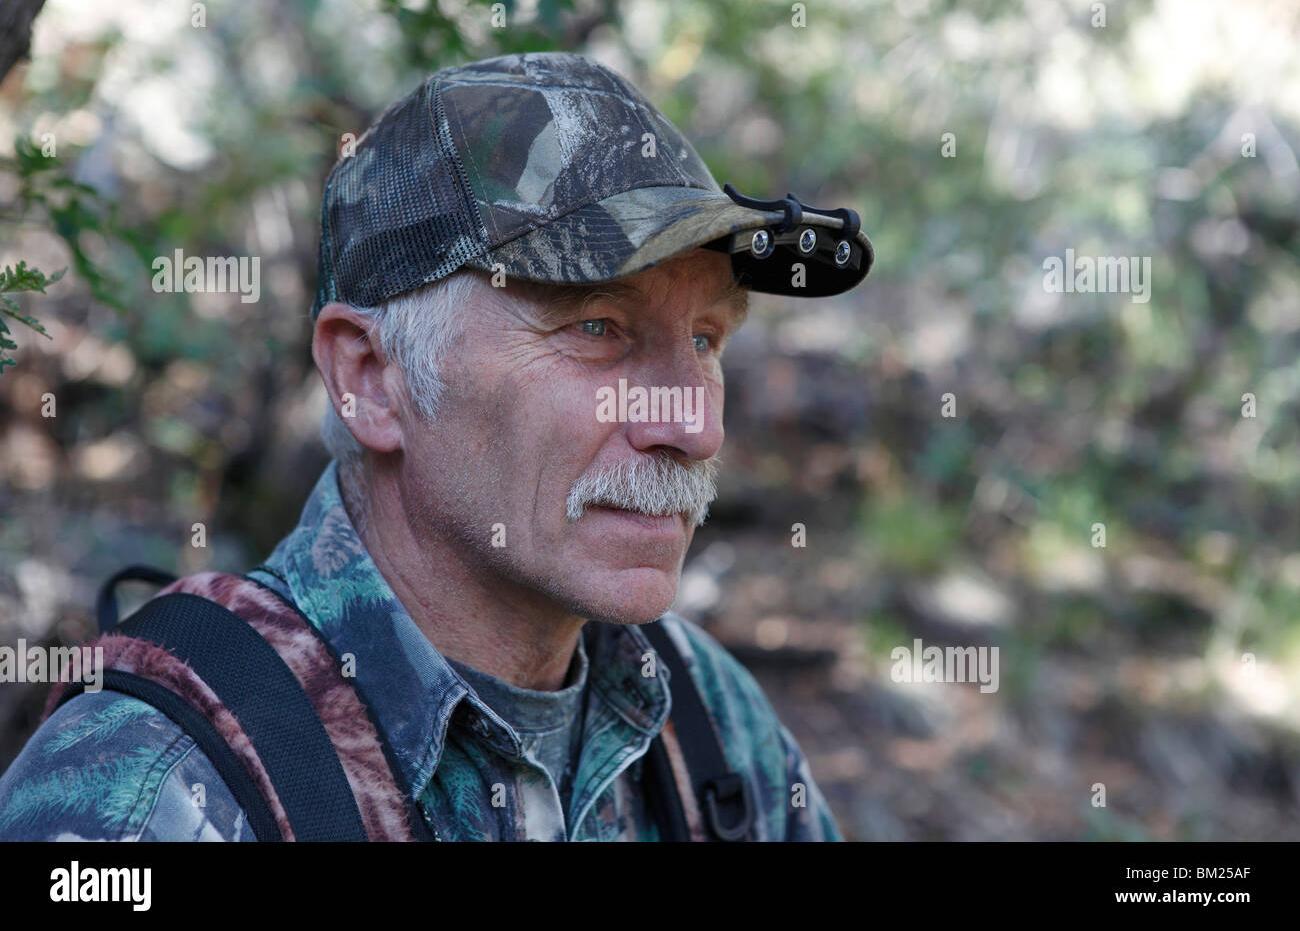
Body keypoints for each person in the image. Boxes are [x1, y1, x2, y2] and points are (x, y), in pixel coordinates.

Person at [0, 51, 872, 841]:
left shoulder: (702, 721)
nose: (693, 426)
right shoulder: (159, 785)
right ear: (372, 378)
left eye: (707, 341)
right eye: (600, 328)